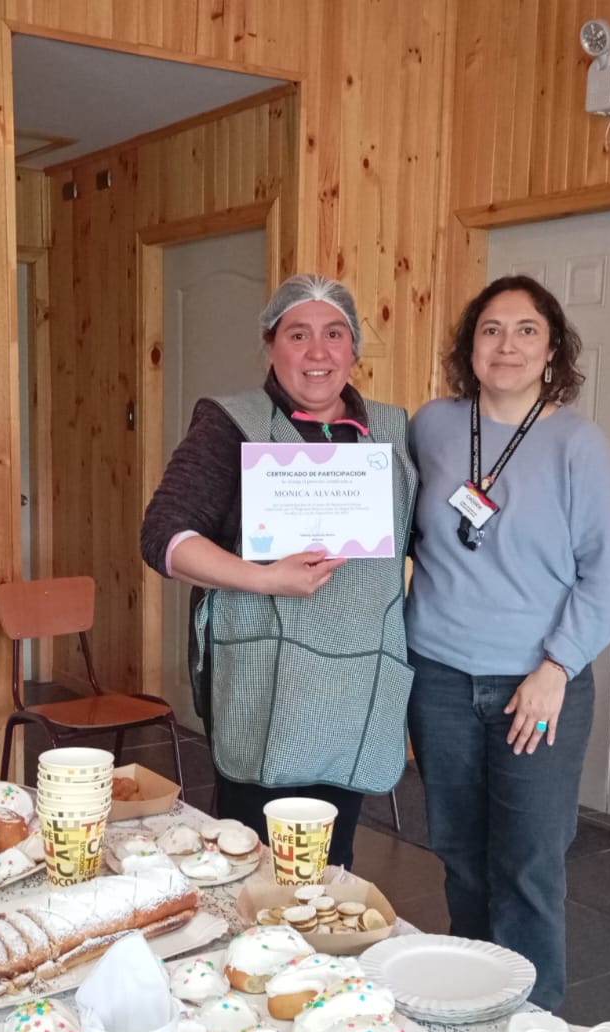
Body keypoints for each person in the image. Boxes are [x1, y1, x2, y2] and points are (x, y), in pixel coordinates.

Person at [405, 274, 610, 1009]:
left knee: (528, 866)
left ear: (552, 348)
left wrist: (557, 666)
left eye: (526, 329)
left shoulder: (577, 444)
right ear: (469, 347)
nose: (507, 345)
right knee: (462, 858)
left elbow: (606, 573)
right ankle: (473, 1008)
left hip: (536, 687)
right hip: (438, 677)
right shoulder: (433, 426)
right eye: (490, 329)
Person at [141, 274, 416, 869]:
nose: (318, 352)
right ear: (270, 345)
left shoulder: (395, 433)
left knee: (330, 865)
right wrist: (266, 578)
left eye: (334, 334)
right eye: (298, 334)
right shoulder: (230, 423)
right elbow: (164, 538)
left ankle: (320, 958)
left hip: (353, 690)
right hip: (264, 692)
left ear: (353, 349)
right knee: (250, 860)